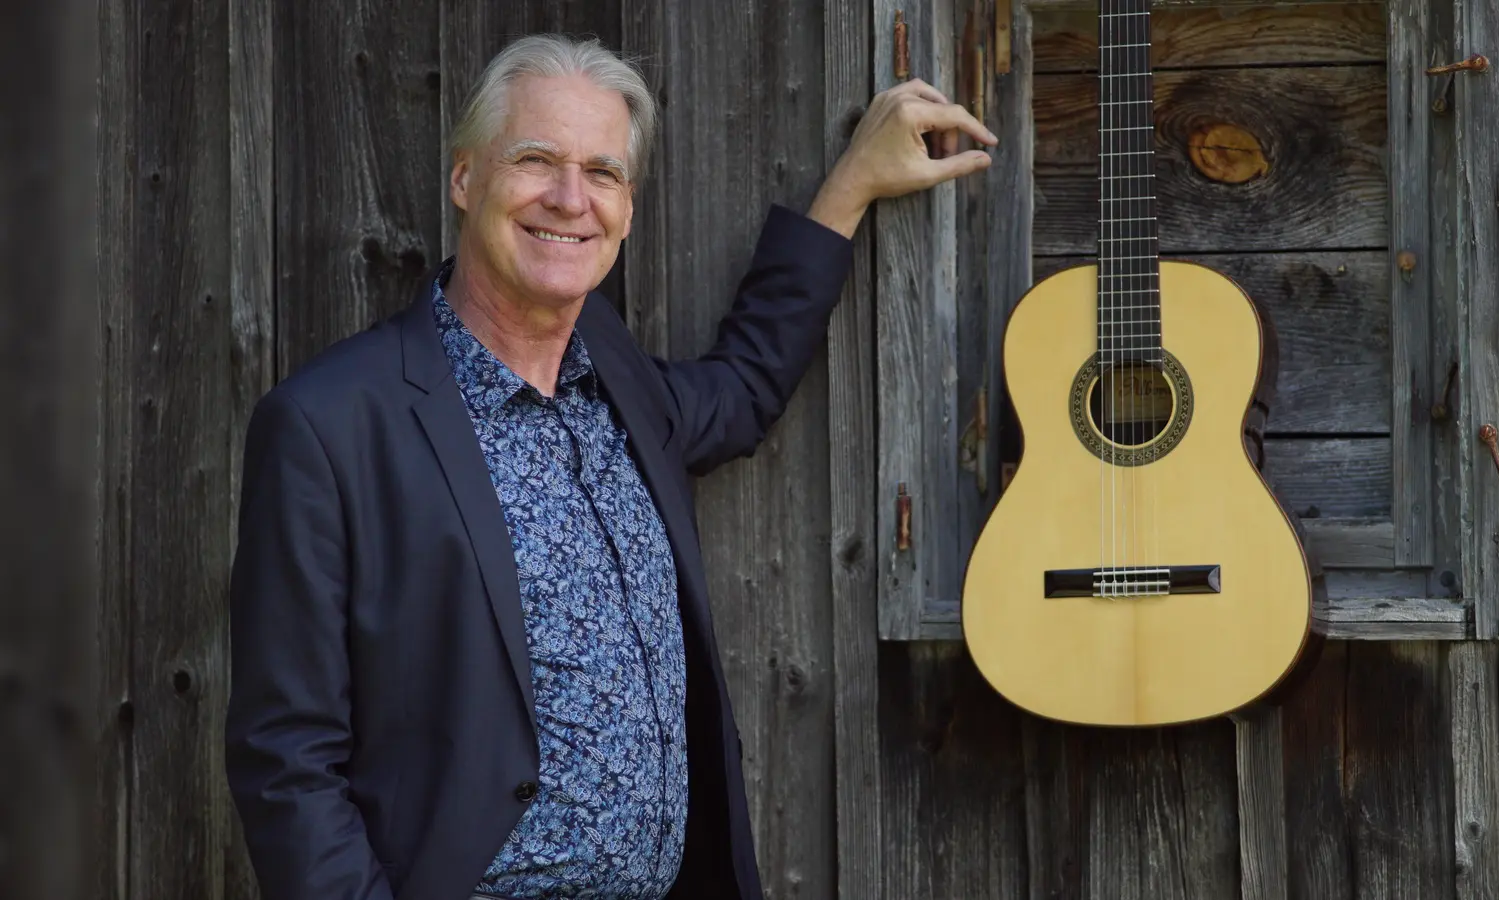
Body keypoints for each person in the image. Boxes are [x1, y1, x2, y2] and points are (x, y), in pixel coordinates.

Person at [224, 32, 995, 900]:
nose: (568, 198)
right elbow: (286, 760)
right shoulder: (329, 426)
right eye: (535, 161)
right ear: (465, 178)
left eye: (602, 172)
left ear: (627, 207)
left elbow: (741, 390)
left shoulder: (614, 377)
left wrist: (850, 188)